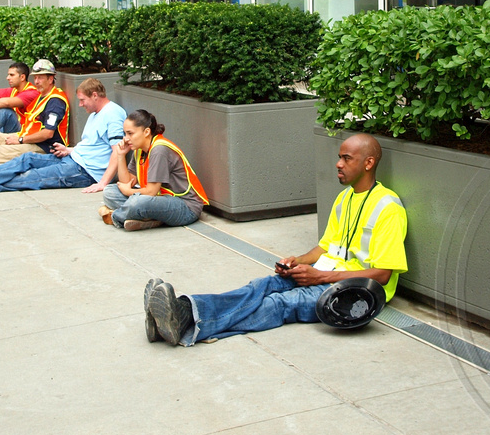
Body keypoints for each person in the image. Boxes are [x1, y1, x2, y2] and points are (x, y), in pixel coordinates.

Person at [145, 133, 408, 347]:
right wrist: (297, 261)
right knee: (261, 286)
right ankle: (177, 316)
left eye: (346, 159)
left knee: (279, 304)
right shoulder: (345, 198)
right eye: (339, 158)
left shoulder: (388, 207)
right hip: (324, 275)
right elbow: (327, 247)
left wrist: (319, 278)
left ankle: (182, 321)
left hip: (355, 292)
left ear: (368, 163)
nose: (338, 164)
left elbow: (383, 274)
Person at [0, 78, 127, 194]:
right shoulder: (96, 113)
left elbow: (117, 152)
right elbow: (93, 145)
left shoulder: (112, 115)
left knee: (32, 177)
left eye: (82, 100)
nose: (80, 105)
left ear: (95, 95)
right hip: (74, 159)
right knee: (27, 159)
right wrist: (69, 150)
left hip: (86, 172)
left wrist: (103, 182)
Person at [99, 109, 208, 232]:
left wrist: (129, 191)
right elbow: (126, 182)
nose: (126, 139)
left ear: (146, 132)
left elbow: (151, 192)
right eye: (125, 134)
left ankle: (115, 216)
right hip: (158, 200)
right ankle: (146, 218)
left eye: (130, 133)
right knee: (110, 191)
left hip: (185, 207)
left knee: (137, 202)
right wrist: (120, 156)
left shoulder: (159, 150)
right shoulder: (139, 149)